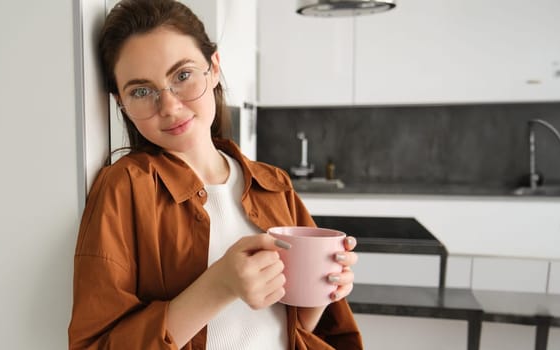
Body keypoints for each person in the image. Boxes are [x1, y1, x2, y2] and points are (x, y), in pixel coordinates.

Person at [68, 1, 362, 349]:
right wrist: (218, 286)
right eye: (142, 91)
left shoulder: (275, 185)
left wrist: (320, 290)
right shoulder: (124, 189)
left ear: (214, 67)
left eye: (182, 75)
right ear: (121, 103)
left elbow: (294, 331)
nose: (170, 106)